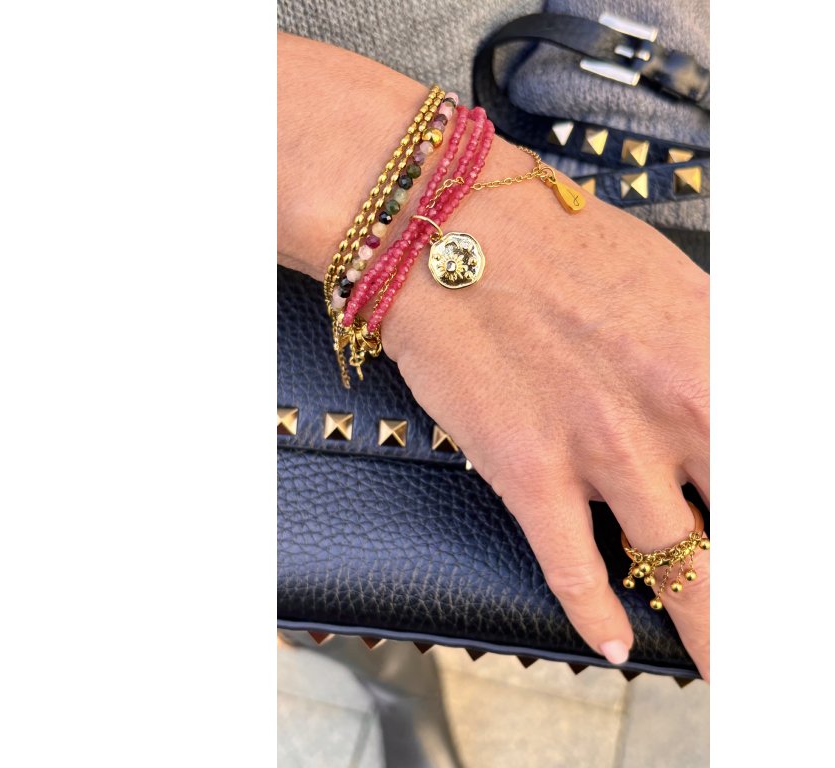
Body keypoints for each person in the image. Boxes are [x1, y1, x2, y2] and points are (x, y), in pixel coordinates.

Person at [278, 30, 710, 680]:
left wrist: (624, 116)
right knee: (339, 575)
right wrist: (450, 198)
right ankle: (367, 657)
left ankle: (376, 653)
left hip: (527, 117)